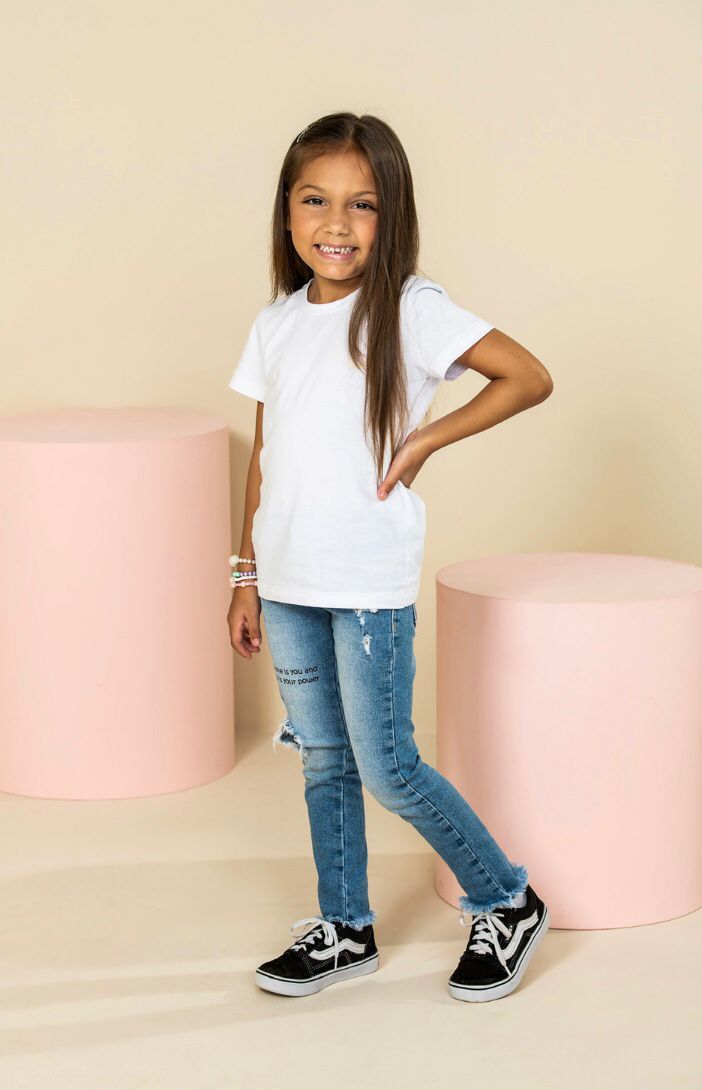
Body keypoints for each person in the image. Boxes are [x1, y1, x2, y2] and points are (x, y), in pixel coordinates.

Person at [226, 112, 553, 1003]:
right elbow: (266, 455)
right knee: (322, 760)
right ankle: (345, 927)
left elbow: (528, 376)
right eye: (315, 201)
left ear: (391, 214)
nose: (336, 223)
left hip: (366, 582)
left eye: (362, 204)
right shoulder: (276, 323)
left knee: (388, 767)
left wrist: (427, 440)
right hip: (286, 582)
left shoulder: (410, 307)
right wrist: (245, 576)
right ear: (287, 212)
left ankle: (507, 899)